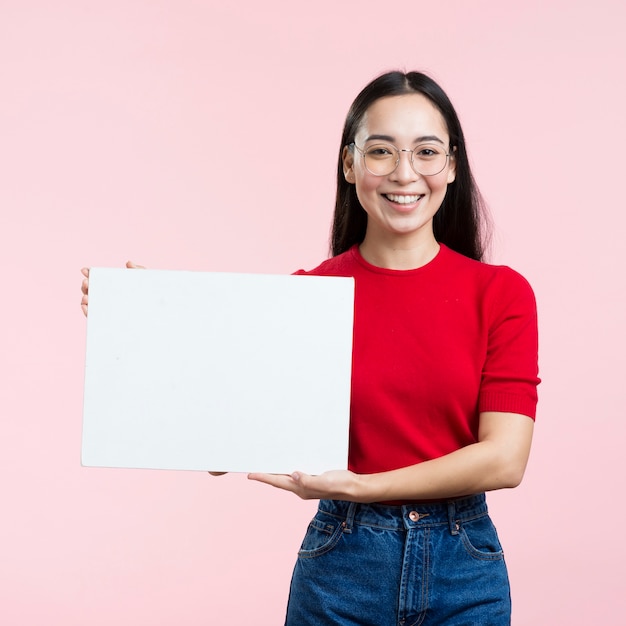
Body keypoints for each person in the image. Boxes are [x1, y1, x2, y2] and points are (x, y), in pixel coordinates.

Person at [81, 71, 539, 625]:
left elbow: (505, 458)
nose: (403, 173)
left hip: (463, 570)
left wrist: (364, 486)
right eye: (380, 151)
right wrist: (168, 330)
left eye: (426, 151)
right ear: (349, 165)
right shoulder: (303, 301)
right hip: (341, 567)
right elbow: (228, 440)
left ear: (452, 166)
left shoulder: (501, 294)